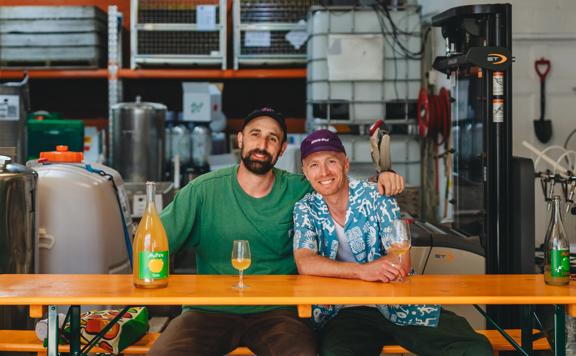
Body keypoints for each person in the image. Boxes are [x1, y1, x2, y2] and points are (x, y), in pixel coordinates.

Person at [149, 107, 405, 356]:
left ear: (282, 149)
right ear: (240, 139)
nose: (262, 144)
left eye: (272, 138)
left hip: (279, 312)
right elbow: (154, 241)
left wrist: (382, 178)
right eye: (255, 134)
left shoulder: (299, 189)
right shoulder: (203, 191)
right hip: (209, 311)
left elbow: (336, 183)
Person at [293, 129, 493, 356]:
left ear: (346, 164)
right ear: (305, 173)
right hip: (343, 311)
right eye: (314, 165)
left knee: (474, 348)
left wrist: (344, 271)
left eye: (331, 161)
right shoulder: (305, 208)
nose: (324, 172)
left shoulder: (378, 195)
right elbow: (306, 262)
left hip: (400, 303)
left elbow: (400, 260)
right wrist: (363, 272)